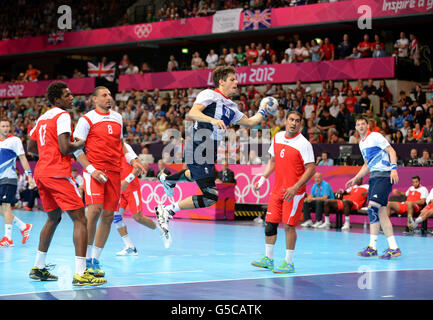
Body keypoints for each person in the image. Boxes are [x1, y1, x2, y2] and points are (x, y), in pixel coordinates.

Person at [155, 66, 269, 242]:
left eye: (236, 79)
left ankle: (168, 180)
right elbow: (193, 112)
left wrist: (263, 109)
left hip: (211, 149)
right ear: (221, 81)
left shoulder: (232, 107)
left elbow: (250, 122)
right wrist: (213, 120)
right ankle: (168, 210)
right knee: (211, 196)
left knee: (194, 175)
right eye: (232, 79)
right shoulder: (209, 94)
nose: (236, 83)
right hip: (198, 144)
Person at [27, 81, 106, 285]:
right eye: (67, 95)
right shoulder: (63, 115)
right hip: (57, 173)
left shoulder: (43, 117)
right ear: (57, 100)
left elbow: (31, 146)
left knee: (53, 218)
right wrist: (82, 142)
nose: (72, 98)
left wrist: (47, 153)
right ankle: (81, 273)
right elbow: (65, 148)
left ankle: (38, 267)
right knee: (80, 219)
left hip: (42, 173)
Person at [73, 86, 145, 280]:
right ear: (94, 99)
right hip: (95, 171)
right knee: (94, 210)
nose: (109, 98)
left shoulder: (118, 117)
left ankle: (95, 260)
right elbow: (77, 150)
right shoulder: (86, 119)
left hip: (114, 172)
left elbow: (121, 144)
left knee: (108, 216)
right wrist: (91, 170)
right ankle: (85, 259)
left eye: (110, 95)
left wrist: (133, 159)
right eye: (104, 95)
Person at [251, 111, 315, 273]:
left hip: (294, 192)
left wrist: (295, 187)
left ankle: (288, 262)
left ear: (300, 124)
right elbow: (273, 161)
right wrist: (263, 178)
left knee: (288, 226)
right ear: (286, 121)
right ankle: (268, 259)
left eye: (297, 121)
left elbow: (311, 169)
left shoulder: (304, 144)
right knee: (270, 223)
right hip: (277, 190)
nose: (294, 123)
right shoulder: (277, 137)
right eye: (291, 120)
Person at [346, 116, 401, 259]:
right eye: (358, 124)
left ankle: (372, 247)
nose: (361, 126)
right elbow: (366, 165)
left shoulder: (376, 136)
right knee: (382, 213)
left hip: (384, 176)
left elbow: (392, 151)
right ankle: (394, 247)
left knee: (372, 209)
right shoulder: (361, 144)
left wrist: (394, 168)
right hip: (374, 178)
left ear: (367, 125)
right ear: (356, 128)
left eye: (363, 123)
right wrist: (355, 178)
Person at [113, 143, 167, 254]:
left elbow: (137, 166)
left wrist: (126, 181)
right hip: (118, 189)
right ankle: (129, 246)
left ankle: (162, 231)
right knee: (116, 216)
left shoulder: (125, 146)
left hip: (131, 186)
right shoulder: (107, 148)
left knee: (138, 217)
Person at [0, 119, 33, 247]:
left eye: (7, 126)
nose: (5, 128)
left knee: (6, 206)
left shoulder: (15, 140)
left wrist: (29, 176)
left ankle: (8, 238)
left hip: (9, 178)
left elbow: (23, 158)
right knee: (1, 209)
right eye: (3, 126)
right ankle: (23, 226)